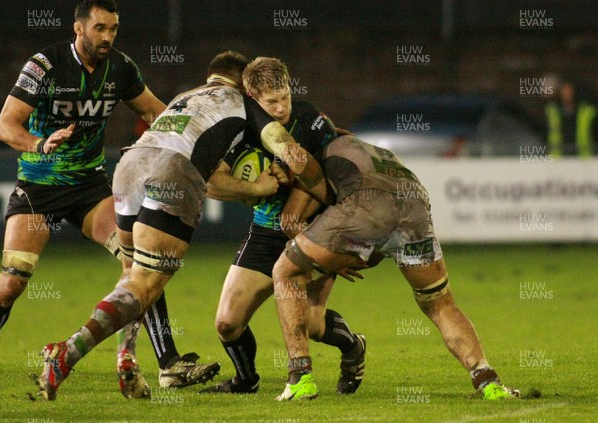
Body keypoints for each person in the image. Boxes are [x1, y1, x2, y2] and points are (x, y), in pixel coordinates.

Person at [35, 50, 331, 401]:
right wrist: (312, 178)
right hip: (172, 172)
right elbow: (294, 154)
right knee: (145, 284)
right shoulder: (245, 103)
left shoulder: (184, 98)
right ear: (244, 86)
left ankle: (126, 361)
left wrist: (254, 187)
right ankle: (67, 353)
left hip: (130, 164)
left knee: (132, 274)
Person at [0, 0, 218, 399]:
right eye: (100, 28)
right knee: (9, 287)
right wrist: (39, 144)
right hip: (39, 188)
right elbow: (5, 124)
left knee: (139, 261)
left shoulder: (121, 67)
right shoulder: (44, 64)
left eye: (113, 29)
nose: (107, 37)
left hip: (90, 187)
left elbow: (155, 111)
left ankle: (159, 363)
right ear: (78, 28)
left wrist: (186, 142)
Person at [272, 135, 520, 401]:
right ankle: (487, 381)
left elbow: (289, 220)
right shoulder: (365, 148)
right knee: (441, 305)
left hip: (367, 205)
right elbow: (382, 240)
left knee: (286, 272)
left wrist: (334, 258)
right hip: (414, 205)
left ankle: (301, 378)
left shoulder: (313, 161)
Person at [202, 57, 366, 395]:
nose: (281, 108)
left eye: (285, 97)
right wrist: (256, 188)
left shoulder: (311, 120)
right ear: (251, 98)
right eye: (271, 102)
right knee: (227, 323)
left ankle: (353, 347)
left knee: (313, 326)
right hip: (265, 232)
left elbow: (338, 172)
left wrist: (337, 242)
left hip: (314, 228)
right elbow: (212, 183)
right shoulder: (239, 130)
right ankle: (246, 381)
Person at [545, 80, 597, 157]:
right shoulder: (552, 111)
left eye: (569, 91)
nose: (567, 94)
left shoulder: (586, 111)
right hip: (558, 157)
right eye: (564, 91)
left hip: (583, 157)